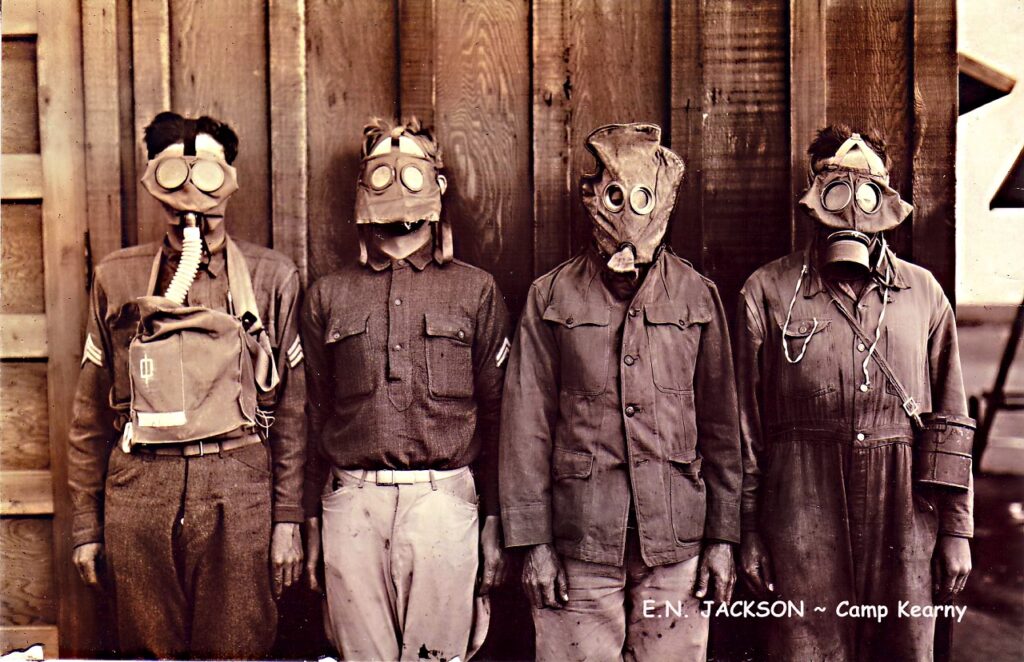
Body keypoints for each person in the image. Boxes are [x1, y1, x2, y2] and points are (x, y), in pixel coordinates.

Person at [499, 123, 741, 661]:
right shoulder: (551, 296)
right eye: (615, 193)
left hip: (676, 544)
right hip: (578, 543)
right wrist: (533, 545)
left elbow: (725, 429)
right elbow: (525, 429)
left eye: (643, 195)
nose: (628, 209)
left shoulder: (698, 297)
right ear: (594, 198)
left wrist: (723, 540)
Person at [68, 112, 306, 658]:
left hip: (237, 485)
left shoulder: (271, 278)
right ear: (156, 178)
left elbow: (293, 413)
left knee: (237, 648)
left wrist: (287, 520)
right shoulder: (117, 277)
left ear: (231, 178)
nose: (192, 193)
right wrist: (87, 525)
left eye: (209, 173)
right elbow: (87, 414)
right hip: (140, 489)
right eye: (176, 174)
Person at [736, 124, 973, 660]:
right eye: (834, 187)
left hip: (904, 509)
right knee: (804, 648)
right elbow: (744, 430)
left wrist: (957, 531)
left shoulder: (924, 293)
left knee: (902, 648)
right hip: (799, 508)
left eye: (866, 190)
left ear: (885, 195)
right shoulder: (768, 292)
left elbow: (951, 419)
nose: (852, 209)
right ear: (813, 193)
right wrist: (748, 531)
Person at [301, 117, 510, 661]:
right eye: (382, 173)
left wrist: (494, 524)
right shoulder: (328, 295)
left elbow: (499, 415)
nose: (397, 183)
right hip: (353, 503)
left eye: (413, 171)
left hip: (444, 501)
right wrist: (311, 523)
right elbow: (310, 415)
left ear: (437, 184)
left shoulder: (475, 290)